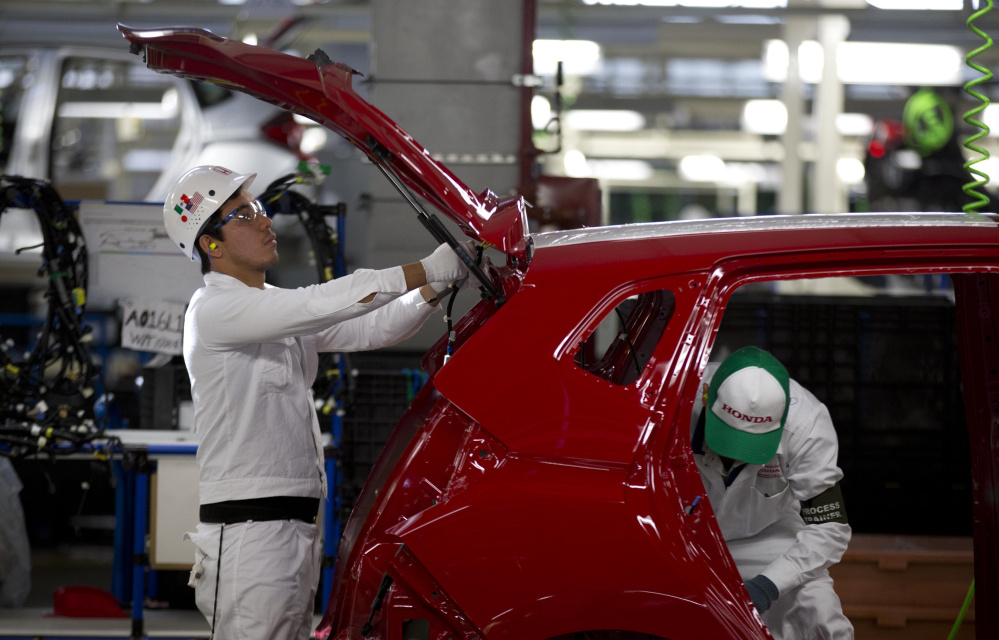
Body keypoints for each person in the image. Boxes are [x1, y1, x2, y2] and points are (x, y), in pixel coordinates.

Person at [162, 165, 471, 639]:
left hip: (294, 526)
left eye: (260, 209)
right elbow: (324, 302)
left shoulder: (269, 306)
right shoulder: (215, 311)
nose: (265, 222)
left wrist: (434, 288)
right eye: (244, 214)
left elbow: (370, 328)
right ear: (211, 244)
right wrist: (425, 268)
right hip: (250, 532)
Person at [692, 346, 853, 639]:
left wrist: (768, 585)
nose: (734, 457)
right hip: (683, 534)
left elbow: (830, 528)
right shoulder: (669, 402)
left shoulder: (808, 424)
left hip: (765, 535)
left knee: (818, 612)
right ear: (706, 395)